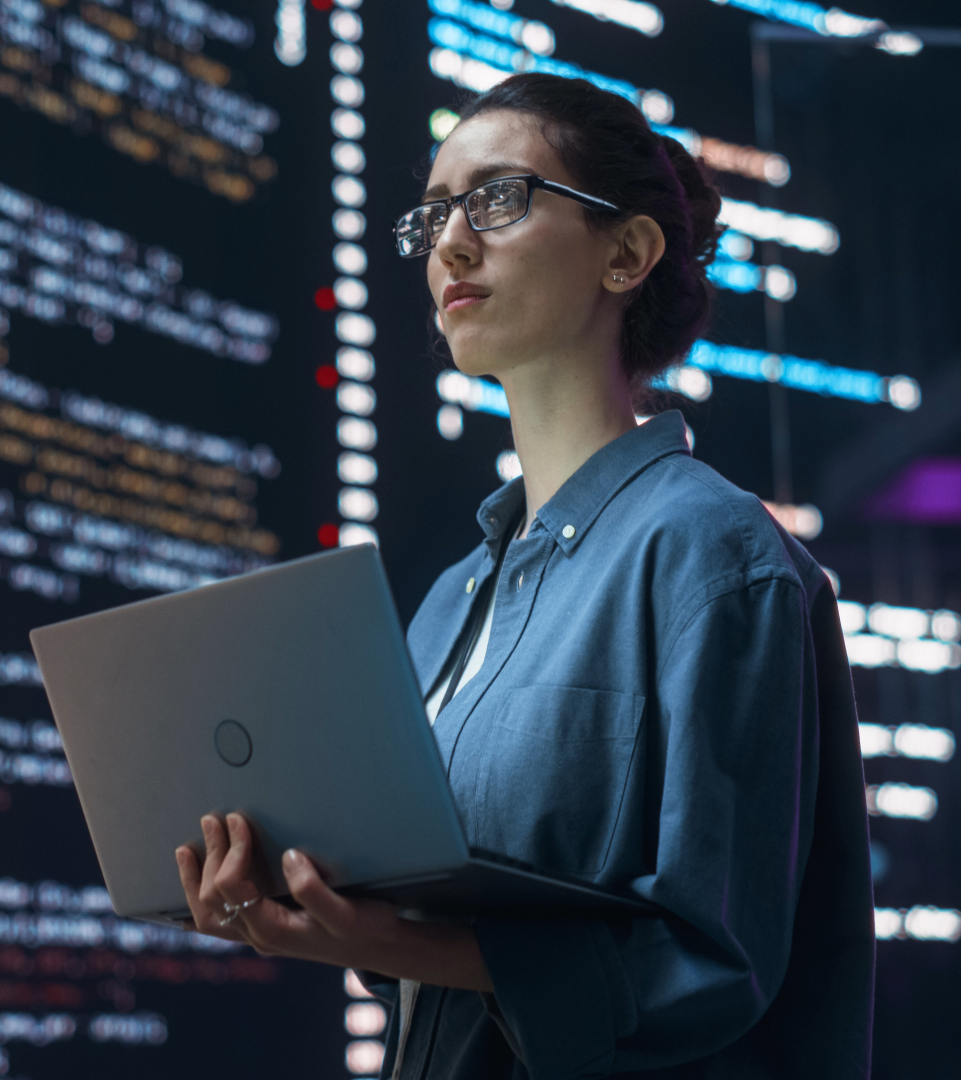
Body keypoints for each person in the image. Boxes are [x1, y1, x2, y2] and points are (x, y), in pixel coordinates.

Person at [173, 72, 874, 1078]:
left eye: (497, 199)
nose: (451, 243)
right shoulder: (448, 609)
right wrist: (316, 913)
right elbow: (445, 962)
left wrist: (394, 942)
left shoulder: (716, 556)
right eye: (433, 215)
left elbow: (714, 967)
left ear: (627, 253)